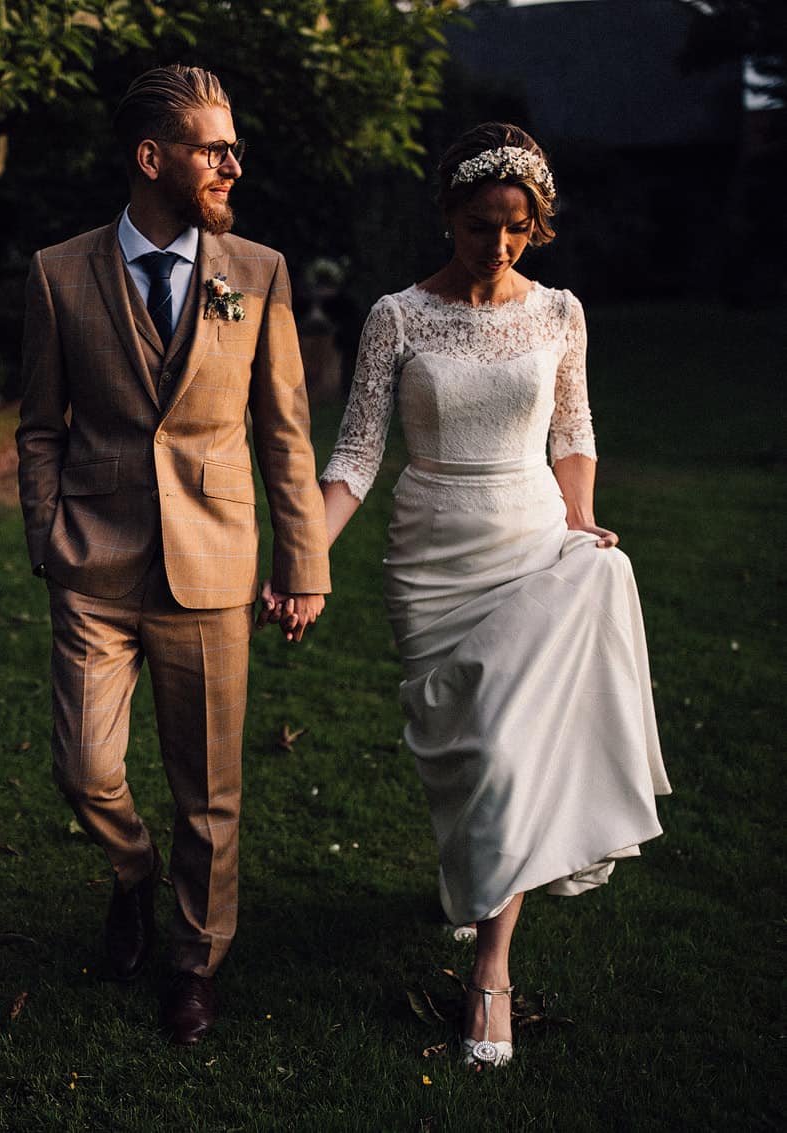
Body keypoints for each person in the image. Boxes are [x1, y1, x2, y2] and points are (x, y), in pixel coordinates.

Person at [294, 122, 671, 1069]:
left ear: (535, 224)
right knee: (462, 746)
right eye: (477, 225)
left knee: (508, 746)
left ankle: (492, 973)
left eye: (515, 227)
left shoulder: (559, 313)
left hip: (534, 538)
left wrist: (581, 516)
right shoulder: (395, 317)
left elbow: (574, 429)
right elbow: (357, 450)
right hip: (431, 551)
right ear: (448, 217)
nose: (496, 245)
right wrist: (308, 553)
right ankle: (469, 867)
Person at [16, 64, 331, 1045]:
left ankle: (193, 965)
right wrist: (47, 537)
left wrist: (303, 562)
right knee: (83, 767)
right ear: (152, 158)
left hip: (213, 565)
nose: (232, 161)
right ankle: (131, 870)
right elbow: (36, 427)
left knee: (209, 796)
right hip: (94, 562)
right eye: (211, 146)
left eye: (232, 145)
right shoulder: (57, 272)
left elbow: (282, 433)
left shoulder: (257, 273)